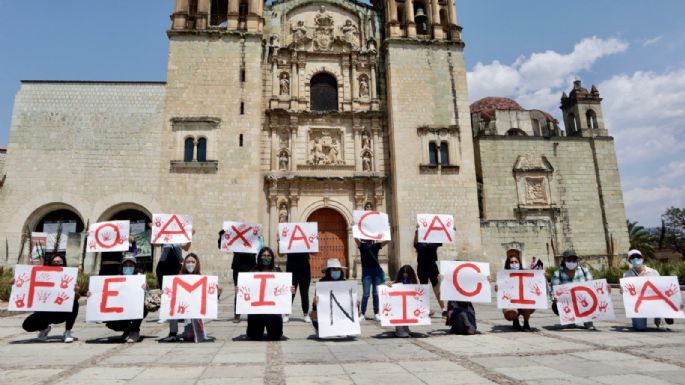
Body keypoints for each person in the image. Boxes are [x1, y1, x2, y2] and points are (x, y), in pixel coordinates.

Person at [16, 255, 80, 343]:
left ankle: (67, 332)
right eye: (54, 263)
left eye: (60, 263)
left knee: (75, 303)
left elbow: (77, 296)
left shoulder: (69, 277)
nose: (57, 265)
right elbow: (24, 283)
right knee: (27, 325)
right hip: (45, 311)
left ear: (64, 264)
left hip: (61, 312)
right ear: (50, 264)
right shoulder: (42, 274)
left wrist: (76, 292)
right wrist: (15, 281)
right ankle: (44, 328)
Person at [246, 247, 293, 340]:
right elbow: (247, 289)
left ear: (272, 258)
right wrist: (239, 290)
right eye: (263, 255)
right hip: (257, 311)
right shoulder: (252, 272)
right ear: (259, 257)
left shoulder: (278, 271)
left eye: (268, 256)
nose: (266, 257)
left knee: (275, 336)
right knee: (254, 336)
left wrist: (290, 290)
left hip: (273, 312)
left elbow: (283, 289)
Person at [101, 254, 148, 343]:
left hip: (135, 306)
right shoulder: (117, 277)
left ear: (135, 267)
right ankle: (128, 329)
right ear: (122, 266)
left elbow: (147, 292)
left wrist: (145, 287)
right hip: (121, 307)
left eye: (130, 266)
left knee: (141, 307)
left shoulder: (139, 276)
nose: (128, 267)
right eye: (126, 265)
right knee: (111, 323)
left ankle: (135, 330)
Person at [622, 249, 673, 331]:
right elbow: (626, 292)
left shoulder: (653, 272)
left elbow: (662, 288)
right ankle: (637, 319)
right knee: (640, 328)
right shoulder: (627, 275)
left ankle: (660, 319)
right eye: (633, 257)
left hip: (653, 301)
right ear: (629, 261)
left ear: (642, 258)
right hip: (638, 304)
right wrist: (623, 291)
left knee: (661, 300)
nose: (636, 259)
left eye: (638, 257)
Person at [178, 253, 222, 342]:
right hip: (183, 311)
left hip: (197, 312)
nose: (190, 264)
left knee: (194, 335)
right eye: (188, 262)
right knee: (189, 335)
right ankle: (174, 332)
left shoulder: (202, 279)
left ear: (197, 263)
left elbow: (209, 300)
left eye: (193, 262)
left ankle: (195, 331)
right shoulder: (178, 278)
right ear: (184, 264)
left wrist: (218, 293)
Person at [218, 230, 257, 323]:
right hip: (238, 267)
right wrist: (221, 236)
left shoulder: (252, 240)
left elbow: (258, 249)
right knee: (238, 291)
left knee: (252, 291)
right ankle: (237, 314)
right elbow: (222, 245)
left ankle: (252, 314)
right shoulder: (236, 242)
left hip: (251, 267)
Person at [551, 250, 596, 330]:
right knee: (555, 306)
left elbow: (591, 286)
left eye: (574, 260)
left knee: (590, 299)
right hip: (567, 301)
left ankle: (588, 321)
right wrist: (555, 299)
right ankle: (570, 319)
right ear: (564, 260)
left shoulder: (584, 271)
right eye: (569, 260)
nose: (572, 262)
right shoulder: (558, 273)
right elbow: (554, 291)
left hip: (582, 299)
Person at [157, 238, 191, 342]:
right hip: (163, 267)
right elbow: (154, 244)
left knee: (183, 298)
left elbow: (186, 247)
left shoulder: (180, 234)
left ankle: (188, 330)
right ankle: (172, 332)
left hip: (177, 266)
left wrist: (188, 235)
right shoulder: (163, 233)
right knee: (169, 299)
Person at [386, 265, 430, 337]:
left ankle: (405, 328)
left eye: (407, 276)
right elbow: (388, 286)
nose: (405, 278)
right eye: (404, 276)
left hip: (408, 305)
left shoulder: (413, 283)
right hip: (398, 305)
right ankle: (399, 330)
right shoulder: (397, 283)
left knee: (407, 313)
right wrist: (388, 284)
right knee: (400, 314)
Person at [311, 258, 351, 335]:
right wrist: (315, 303)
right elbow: (315, 306)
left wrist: (356, 303)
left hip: (340, 314)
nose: (336, 271)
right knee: (313, 315)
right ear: (329, 271)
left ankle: (343, 328)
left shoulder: (345, 283)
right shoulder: (322, 283)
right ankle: (323, 329)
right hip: (327, 314)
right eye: (333, 269)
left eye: (338, 269)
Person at [413, 225, 447, 315]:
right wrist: (417, 230)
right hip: (422, 266)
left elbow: (444, 238)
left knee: (437, 288)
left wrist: (451, 230)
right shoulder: (419, 242)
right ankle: (424, 308)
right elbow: (415, 243)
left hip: (432, 266)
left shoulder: (434, 242)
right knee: (423, 289)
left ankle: (443, 309)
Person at [355, 238, 389, 321]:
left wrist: (386, 232)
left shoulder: (376, 245)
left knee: (376, 293)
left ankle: (376, 313)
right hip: (366, 271)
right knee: (366, 294)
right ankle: (362, 313)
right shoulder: (362, 245)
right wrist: (354, 227)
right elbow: (356, 239)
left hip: (376, 271)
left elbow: (387, 241)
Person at [500, 254, 534, 331]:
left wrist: (542, 276)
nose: (514, 264)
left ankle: (526, 322)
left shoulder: (526, 272)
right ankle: (515, 320)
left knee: (526, 306)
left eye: (516, 262)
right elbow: (501, 290)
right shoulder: (504, 275)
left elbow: (534, 282)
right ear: (508, 264)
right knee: (510, 310)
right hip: (512, 301)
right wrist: (497, 288)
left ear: (519, 263)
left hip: (524, 300)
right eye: (512, 262)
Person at [284, 251, 311, 323]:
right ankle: (286, 314)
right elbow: (280, 254)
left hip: (305, 269)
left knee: (304, 293)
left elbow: (315, 253)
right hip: (291, 268)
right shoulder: (288, 239)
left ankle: (306, 314)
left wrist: (314, 241)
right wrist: (279, 243)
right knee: (290, 292)